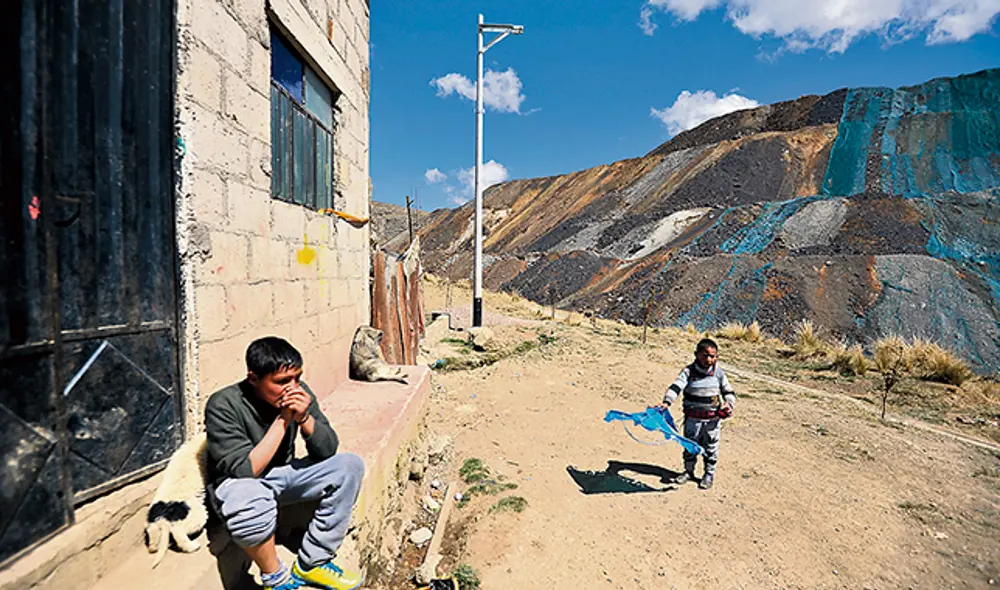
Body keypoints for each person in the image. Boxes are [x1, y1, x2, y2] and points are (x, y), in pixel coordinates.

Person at [205, 337, 365, 590]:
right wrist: (284, 418)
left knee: (349, 466)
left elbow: (327, 449)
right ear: (253, 379)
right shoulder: (223, 404)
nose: (292, 387)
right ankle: (275, 578)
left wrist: (304, 418)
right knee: (248, 498)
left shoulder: (300, 393)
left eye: (297, 378)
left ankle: (313, 563)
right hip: (238, 484)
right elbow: (246, 471)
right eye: (281, 382)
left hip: (280, 476)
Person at [657, 338, 735, 490]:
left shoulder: (719, 374)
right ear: (696, 354)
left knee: (711, 447)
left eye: (712, 356)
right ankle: (688, 471)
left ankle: (708, 474)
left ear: (717, 357)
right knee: (690, 446)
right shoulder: (688, 372)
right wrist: (666, 402)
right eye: (704, 355)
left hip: (712, 421)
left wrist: (728, 404)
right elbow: (676, 386)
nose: (708, 359)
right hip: (692, 420)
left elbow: (728, 391)